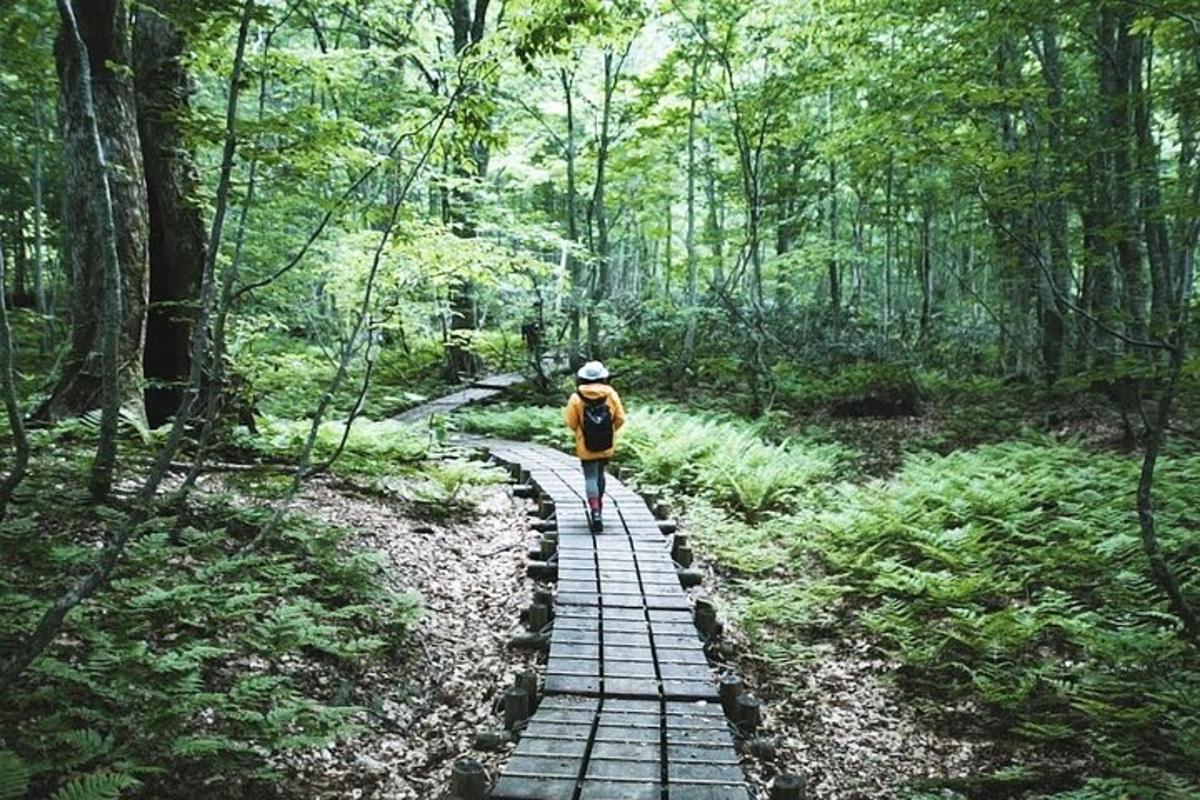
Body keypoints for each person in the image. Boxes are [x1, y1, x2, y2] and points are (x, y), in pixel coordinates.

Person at [564, 361, 626, 532]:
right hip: (606, 443)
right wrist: (610, 430)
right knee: (600, 475)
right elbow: (620, 418)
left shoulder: (576, 397)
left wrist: (582, 432)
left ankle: (595, 511)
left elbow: (570, 422)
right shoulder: (611, 394)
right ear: (602, 377)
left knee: (590, 477)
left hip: (586, 445)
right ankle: (600, 508)